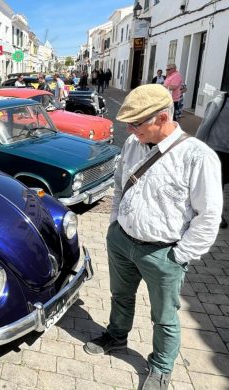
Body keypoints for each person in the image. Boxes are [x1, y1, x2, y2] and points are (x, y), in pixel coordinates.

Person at [84, 84, 223, 390]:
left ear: (162, 118)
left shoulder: (197, 156)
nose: (131, 131)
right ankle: (117, 336)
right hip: (123, 241)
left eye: (136, 124)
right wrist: (114, 225)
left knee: (164, 316)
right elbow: (121, 186)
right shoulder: (135, 144)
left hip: (164, 253)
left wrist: (179, 255)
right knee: (121, 296)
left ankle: (160, 366)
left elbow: (209, 215)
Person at [196, 91, 229, 228]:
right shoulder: (220, 101)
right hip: (217, 149)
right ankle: (216, 214)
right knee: (217, 184)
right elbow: (206, 124)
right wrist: (196, 145)